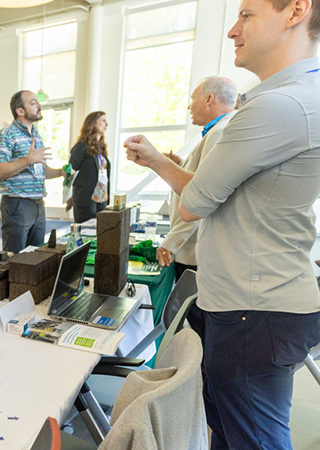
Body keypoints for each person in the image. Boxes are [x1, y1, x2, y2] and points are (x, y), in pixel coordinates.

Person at [124, 1, 320, 447]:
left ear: (295, 11)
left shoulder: (279, 105)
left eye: (246, 15)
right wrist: (158, 161)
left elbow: (194, 203)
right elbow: (218, 193)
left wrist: (166, 172)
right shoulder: (297, 96)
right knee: (231, 432)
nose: (233, 30)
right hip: (259, 300)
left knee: (253, 439)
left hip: (254, 308)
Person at [156, 77, 237, 281]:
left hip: (194, 250)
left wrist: (171, 242)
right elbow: (205, 174)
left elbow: (202, 195)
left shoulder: (220, 132)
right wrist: (181, 162)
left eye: (192, 99)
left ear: (209, 99)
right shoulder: (216, 131)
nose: (188, 106)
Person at [0, 90, 65, 253]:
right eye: (33, 103)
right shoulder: (7, 134)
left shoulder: (36, 135)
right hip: (18, 205)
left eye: (38, 102)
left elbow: (41, 172)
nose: (39, 106)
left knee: (35, 258)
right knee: (15, 259)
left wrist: (61, 173)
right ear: (20, 111)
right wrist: (28, 160)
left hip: (38, 204)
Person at [68, 112, 110, 223]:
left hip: (102, 198)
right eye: (103, 120)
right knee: (87, 233)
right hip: (86, 199)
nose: (107, 124)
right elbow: (70, 171)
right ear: (93, 123)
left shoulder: (101, 148)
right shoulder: (81, 146)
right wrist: (68, 195)